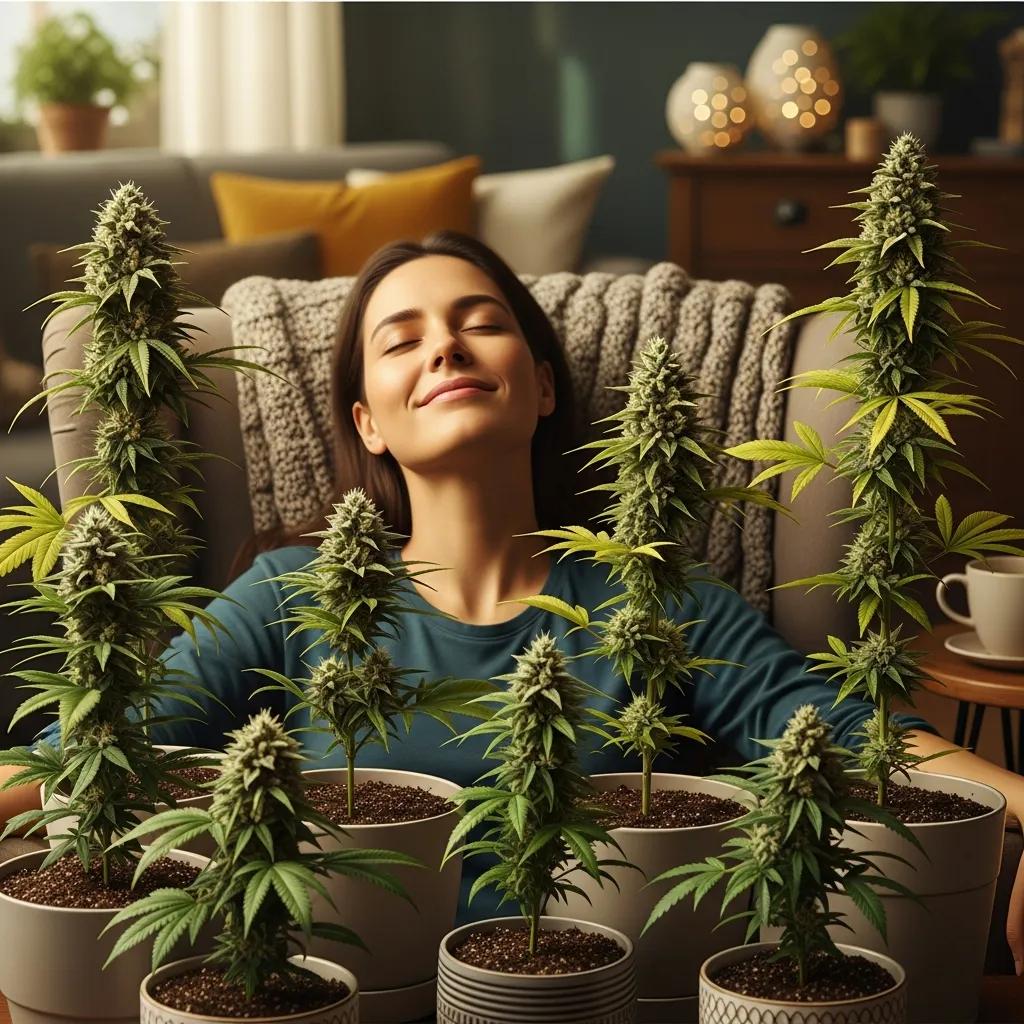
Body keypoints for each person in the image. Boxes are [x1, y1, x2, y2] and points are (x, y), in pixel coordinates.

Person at [2, 231, 1023, 967]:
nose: (443, 346)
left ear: (539, 387)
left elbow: (850, 740)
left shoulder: (654, 601)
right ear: (367, 423)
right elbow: (94, 750)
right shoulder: (290, 594)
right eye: (401, 339)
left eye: (477, 323)